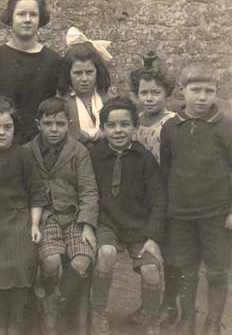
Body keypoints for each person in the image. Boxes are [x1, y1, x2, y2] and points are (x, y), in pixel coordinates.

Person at [160, 62, 232, 335]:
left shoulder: (225, 126)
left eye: (209, 91)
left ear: (216, 93)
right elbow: (166, 169)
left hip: (216, 213)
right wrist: (168, 208)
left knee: (216, 270)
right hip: (181, 213)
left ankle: (213, 322)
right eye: (196, 90)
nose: (202, 97)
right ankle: (187, 318)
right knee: (185, 269)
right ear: (182, 91)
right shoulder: (171, 127)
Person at [0, 96, 48, 335]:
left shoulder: (23, 155)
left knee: (22, 260)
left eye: (8, 127)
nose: (2, 133)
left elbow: (36, 190)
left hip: (18, 219)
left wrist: (34, 224)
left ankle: (15, 320)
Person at [89, 97, 165, 335]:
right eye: (111, 125)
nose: (118, 130)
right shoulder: (94, 156)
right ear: (102, 129)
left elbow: (158, 200)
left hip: (138, 226)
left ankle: (148, 314)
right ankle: (98, 312)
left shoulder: (145, 159)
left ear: (135, 127)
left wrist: (153, 236)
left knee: (151, 269)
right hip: (107, 222)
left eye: (125, 124)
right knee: (106, 253)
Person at [23, 97, 98, 335]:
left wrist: (87, 224)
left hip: (73, 217)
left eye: (60, 124)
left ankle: (55, 301)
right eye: (48, 124)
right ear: (38, 124)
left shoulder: (79, 151)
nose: (54, 129)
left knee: (82, 259)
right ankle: (46, 291)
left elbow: (88, 190)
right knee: (51, 260)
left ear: (69, 123)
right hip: (46, 218)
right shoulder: (27, 152)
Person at [128, 51, 178, 328]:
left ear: (166, 93)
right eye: (144, 92)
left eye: (155, 92)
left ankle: (170, 304)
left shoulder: (171, 122)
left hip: (167, 191)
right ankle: (148, 303)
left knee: (169, 251)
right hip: (143, 194)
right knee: (148, 252)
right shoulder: (135, 121)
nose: (149, 98)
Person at [0, 0, 61, 144]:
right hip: (6, 142)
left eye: (33, 14)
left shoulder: (54, 61)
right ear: (11, 17)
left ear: (40, 19)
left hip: (43, 143)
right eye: (21, 14)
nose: (27, 19)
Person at [57, 27, 116, 147]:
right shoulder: (61, 103)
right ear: (68, 74)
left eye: (89, 72)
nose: (84, 79)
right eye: (78, 73)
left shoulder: (110, 99)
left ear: (97, 71)